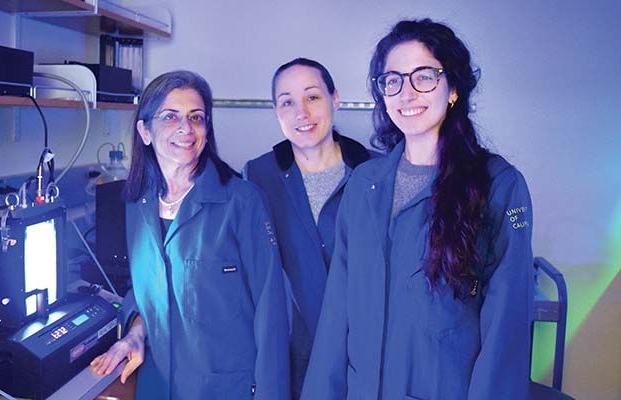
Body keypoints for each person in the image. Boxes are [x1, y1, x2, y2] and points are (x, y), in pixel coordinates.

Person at [301, 19, 533, 400]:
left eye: (423, 76)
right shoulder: (364, 184)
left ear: (453, 87)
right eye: (392, 80)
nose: (406, 93)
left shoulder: (498, 185)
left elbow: (505, 331)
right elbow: (337, 313)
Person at [90, 70, 290, 400]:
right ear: (145, 130)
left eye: (196, 117)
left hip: (224, 388)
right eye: (170, 117)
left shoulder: (241, 201)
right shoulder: (138, 203)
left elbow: (272, 315)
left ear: (207, 130)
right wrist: (135, 334)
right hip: (158, 383)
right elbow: (146, 290)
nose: (186, 129)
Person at [244, 58, 373, 398]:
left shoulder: (376, 172)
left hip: (364, 349)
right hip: (296, 354)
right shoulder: (259, 176)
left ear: (335, 99)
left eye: (313, 97)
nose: (301, 112)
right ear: (276, 112)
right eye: (287, 102)